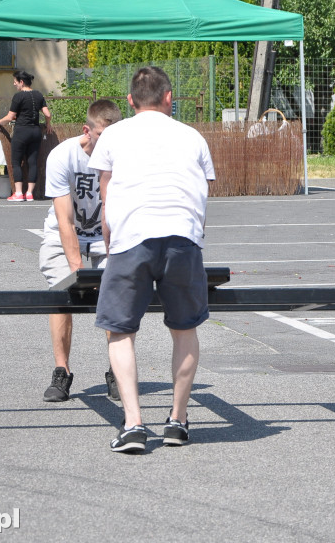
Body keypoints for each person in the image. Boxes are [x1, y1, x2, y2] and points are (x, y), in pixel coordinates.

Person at [88, 66, 215, 453]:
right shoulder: (192, 136)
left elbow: (106, 198)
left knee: (120, 330)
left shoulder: (113, 135)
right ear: (168, 98)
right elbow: (205, 194)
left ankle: (133, 425)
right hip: (183, 238)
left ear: (129, 101)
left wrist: (112, 249)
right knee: (185, 328)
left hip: (132, 238)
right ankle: (177, 420)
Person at [39, 99, 124, 403]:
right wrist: (77, 272)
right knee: (61, 293)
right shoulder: (62, 156)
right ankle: (62, 372)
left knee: (115, 295)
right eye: (103, 137)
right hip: (67, 232)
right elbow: (65, 221)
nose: (110, 145)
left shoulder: (124, 156)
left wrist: (116, 260)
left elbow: (123, 212)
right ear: (87, 131)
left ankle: (118, 369)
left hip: (106, 235)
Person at [0, 70, 51, 201]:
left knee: (16, 162)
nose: (14, 84)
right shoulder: (38, 95)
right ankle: (30, 193)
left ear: (21, 82)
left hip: (21, 132)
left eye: (15, 82)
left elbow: (10, 117)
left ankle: (19, 193)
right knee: (32, 163)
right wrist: (48, 125)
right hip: (35, 132)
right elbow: (47, 114)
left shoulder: (18, 97)